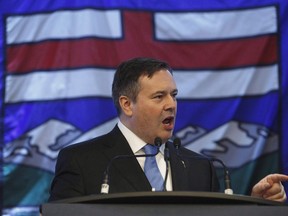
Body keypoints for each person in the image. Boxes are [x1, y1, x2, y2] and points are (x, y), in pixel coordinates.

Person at [48, 57, 288, 202]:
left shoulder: (200, 167)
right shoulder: (81, 161)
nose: (171, 105)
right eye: (159, 96)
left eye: (173, 95)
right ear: (126, 104)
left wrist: (256, 206)